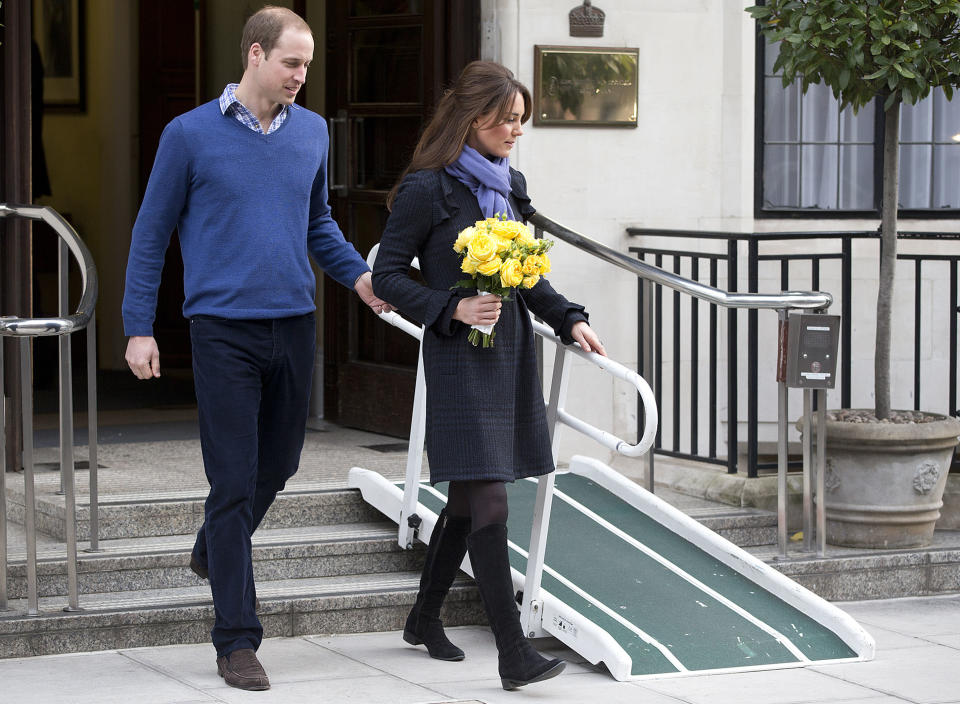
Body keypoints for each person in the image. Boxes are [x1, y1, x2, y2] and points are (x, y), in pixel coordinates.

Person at [121, 5, 392, 691]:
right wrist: (138, 326)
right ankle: (237, 638)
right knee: (234, 480)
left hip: (294, 321)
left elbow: (317, 223)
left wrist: (359, 277)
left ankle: (216, 545)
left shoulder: (312, 132)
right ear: (253, 55)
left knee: (281, 462)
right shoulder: (188, 135)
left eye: (307, 65)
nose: (302, 75)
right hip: (220, 330)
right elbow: (151, 234)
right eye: (291, 63)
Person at [372, 61, 605, 691]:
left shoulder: (510, 182)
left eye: (521, 120)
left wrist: (569, 318)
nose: (515, 131)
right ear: (471, 119)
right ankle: (512, 651)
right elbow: (388, 275)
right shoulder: (428, 188)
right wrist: (450, 307)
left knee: (469, 497)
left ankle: (423, 617)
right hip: (456, 355)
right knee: (491, 496)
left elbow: (529, 272)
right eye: (506, 119)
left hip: (507, 351)